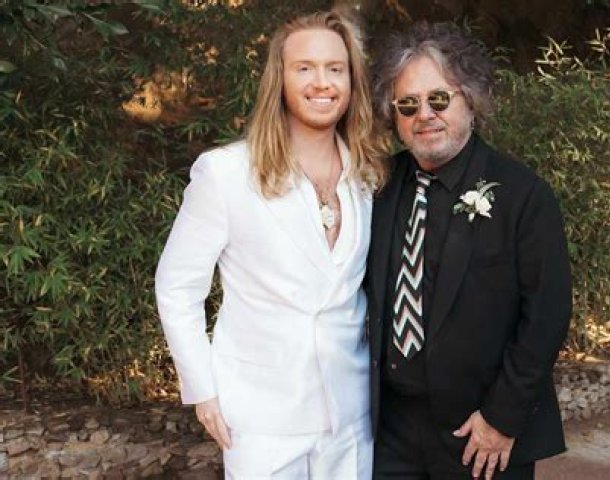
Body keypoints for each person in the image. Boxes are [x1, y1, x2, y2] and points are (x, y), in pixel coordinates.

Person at [155, 11, 386, 479]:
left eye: (335, 68)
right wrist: (203, 390)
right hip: (260, 417)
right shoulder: (225, 173)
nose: (322, 82)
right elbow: (177, 285)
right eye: (304, 68)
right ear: (278, 79)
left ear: (352, 81)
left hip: (351, 414)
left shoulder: (369, 175)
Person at [366, 22, 572, 480]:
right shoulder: (378, 187)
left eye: (439, 99)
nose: (424, 114)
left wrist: (502, 418)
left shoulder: (523, 194)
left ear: (471, 100)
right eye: (408, 104)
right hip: (391, 434)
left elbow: (547, 315)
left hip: (480, 435)